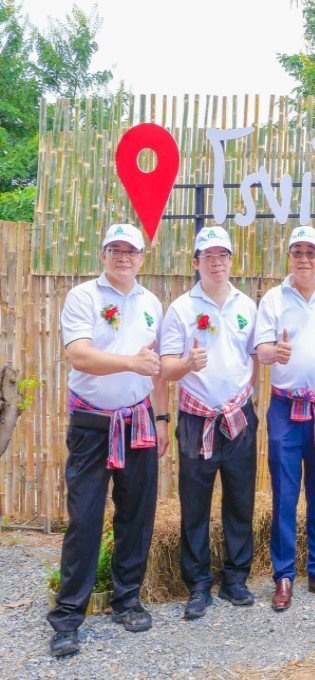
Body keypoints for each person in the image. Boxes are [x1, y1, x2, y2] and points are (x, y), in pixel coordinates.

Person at [48, 223, 170, 657]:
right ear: (103, 255)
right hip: (92, 424)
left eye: (130, 251)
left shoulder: (152, 302)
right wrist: (131, 363)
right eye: (115, 250)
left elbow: (154, 366)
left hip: (138, 422)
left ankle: (127, 600)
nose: (123, 257)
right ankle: (66, 618)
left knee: (136, 514)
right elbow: (79, 355)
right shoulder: (83, 297)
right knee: (84, 518)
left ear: (142, 257)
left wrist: (161, 416)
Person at [160, 226, 259, 620]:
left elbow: (256, 355)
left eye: (223, 256)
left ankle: (236, 577)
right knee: (195, 504)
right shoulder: (181, 308)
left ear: (231, 261)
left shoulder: (246, 306)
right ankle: (198, 583)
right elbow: (166, 368)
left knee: (240, 500)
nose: (217, 263)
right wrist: (187, 364)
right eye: (209, 256)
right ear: (195, 262)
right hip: (195, 419)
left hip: (238, 418)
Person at [254, 225, 315, 611]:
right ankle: (283, 575)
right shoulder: (274, 299)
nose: (304, 259)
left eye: (311, 253)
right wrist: (272, 353)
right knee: (284, 493)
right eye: (298, 252)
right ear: (289, 257)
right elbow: (260, 348)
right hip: (285, 408)